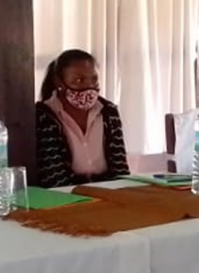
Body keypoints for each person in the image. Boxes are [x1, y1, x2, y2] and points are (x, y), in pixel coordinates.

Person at [37, 49, 130, 189]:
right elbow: (54, 177)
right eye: (79, 80)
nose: (89, 86)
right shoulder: (44, 116)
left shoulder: (108, 112)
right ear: (59, 82)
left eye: (94, 79)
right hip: (64, 194)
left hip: (109, 191)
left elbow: (120, 168)